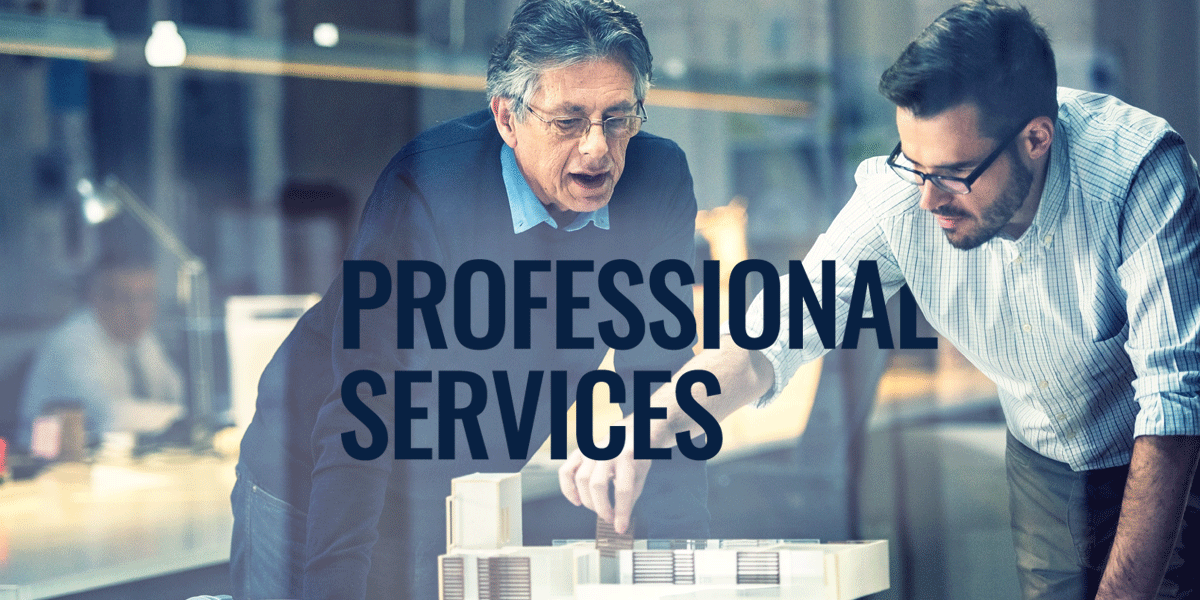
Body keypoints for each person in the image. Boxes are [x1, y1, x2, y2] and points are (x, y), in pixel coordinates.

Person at [559, 2, 1200, 599]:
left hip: (1169, 460)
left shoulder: (1140, 173)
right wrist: (653, 423)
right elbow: (780, 328)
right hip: (1043, 459)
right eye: (916, 168)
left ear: (1036, 139)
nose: (927, 199)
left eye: (953, 175)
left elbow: (1173, 400)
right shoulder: (907, 191)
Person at [231, 1, 709, 598]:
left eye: (618, 118)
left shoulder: (656, 180)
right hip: (317, 462)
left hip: (470, 476)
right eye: (567, 122)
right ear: (506, 117)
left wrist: (682, 565)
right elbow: (363, 405)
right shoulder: (429, 187)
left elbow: (659, 383)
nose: (598, 149)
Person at [19, 253, 184, 449]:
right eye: (125, 298)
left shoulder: (141, 339)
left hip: (118, 458)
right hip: (47, 465)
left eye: (146, 297)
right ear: (97, 298)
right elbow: (108, 416)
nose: (137, 310)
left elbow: (174, 391)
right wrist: (181, 417)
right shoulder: (73, 342)